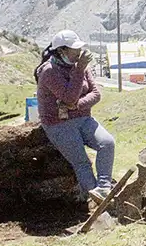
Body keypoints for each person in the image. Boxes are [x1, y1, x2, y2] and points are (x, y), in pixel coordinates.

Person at [35, 29, 116, 204]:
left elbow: (96, 94)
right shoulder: (49, 71)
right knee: (82, 163)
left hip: (82, 118)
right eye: (74, 50)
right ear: (61, 51)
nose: (78, 53)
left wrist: (75, 106)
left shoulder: (80, 66)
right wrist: (79, 71)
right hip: (58, 123)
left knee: (107, 143)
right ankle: (95, 199)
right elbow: (69, 96)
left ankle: (103, 189)